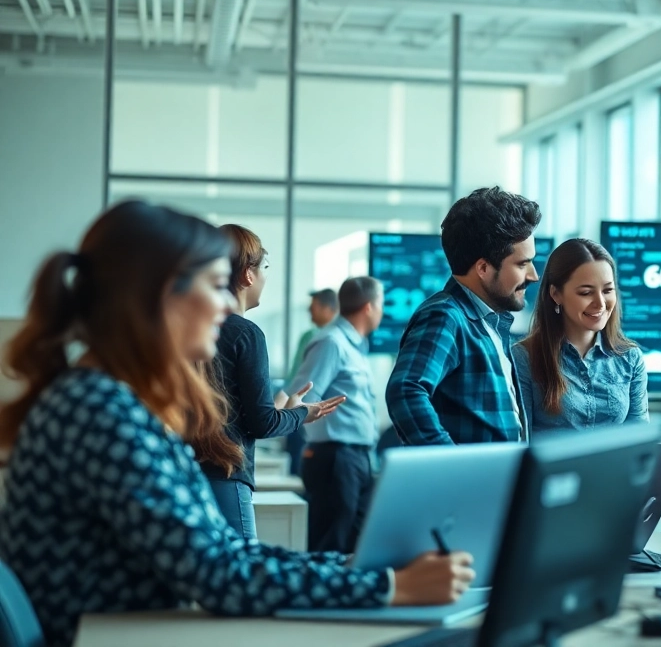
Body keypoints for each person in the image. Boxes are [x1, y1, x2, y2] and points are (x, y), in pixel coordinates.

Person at [0, 201, 473, 647]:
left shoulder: (110, 401)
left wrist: (357, 567)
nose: (227, 307)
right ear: (160, 298)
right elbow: (219, 574)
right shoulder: (100, 412)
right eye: (212, 285)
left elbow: (224, 550)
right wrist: (387, 585)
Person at [202, 224, 344, 538]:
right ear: (248, 275)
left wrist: (282, 406)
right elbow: (263, 425)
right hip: (226, 476)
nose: (266, 277)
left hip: (192, 474)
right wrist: (304, 414)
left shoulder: (198, 329)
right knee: (241, 575)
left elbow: (239, 413)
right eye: (264, 267)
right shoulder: (246, 334)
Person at [386, 187, 541, 445]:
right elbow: (405, 391)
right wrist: (450, 463)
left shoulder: (488, 323)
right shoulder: (446, 316)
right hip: (471, 484)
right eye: (522, 264)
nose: (534, 275)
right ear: (482, 267)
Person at [281, 276, 385, 554]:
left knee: (356, 546)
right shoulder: (331, 342)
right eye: (381, 304)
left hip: (357, 457)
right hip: (335, 458)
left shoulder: (355, 345)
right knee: (330, 546)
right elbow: (301, 396)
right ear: (368, 307)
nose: (382, 312)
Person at [512, 238, 648, 432]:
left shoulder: (630, 358)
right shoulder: (524, 358)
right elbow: (521, 440)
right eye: (586, 293)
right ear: (556, 294)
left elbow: (639, 439)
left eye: (608, 290)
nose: (600, 303)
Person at [284, 288, 340, 476]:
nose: (309, 312)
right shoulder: (342, 339)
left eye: (313, 308)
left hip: (306, 416)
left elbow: (296, 380)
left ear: (328, 308)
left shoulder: (314, 336)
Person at [291, 288, 339, 376]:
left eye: (313, 307)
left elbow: (296, 373)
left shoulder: (311, 336)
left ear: (327, 308)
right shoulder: (342, 337)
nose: (309, 310)